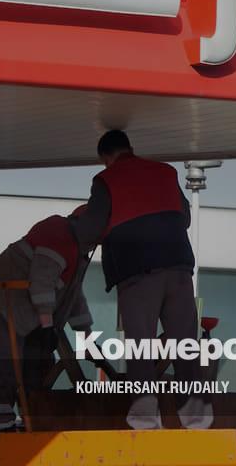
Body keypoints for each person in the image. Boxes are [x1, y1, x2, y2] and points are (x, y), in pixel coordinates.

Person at [71, 129, 211, 429]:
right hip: (179, 268)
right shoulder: (165, 171)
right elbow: (184, 217)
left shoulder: (106, 179)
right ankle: (197, 417)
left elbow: (90, 229)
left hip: (138, 272)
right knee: (185, 342)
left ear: (105, 157)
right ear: (130, 147)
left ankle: (146, 417)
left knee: (141, 344)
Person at [0, 206, 94, 431]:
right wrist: (47, 326)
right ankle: (2, 420)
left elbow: (73, 295)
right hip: (0, 299)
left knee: (39, 363)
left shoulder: (78, 251)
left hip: (26, 307)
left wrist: (87, 338)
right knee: (5, 359)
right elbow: (42, 281)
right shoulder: (58, 232)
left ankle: (32, 417)